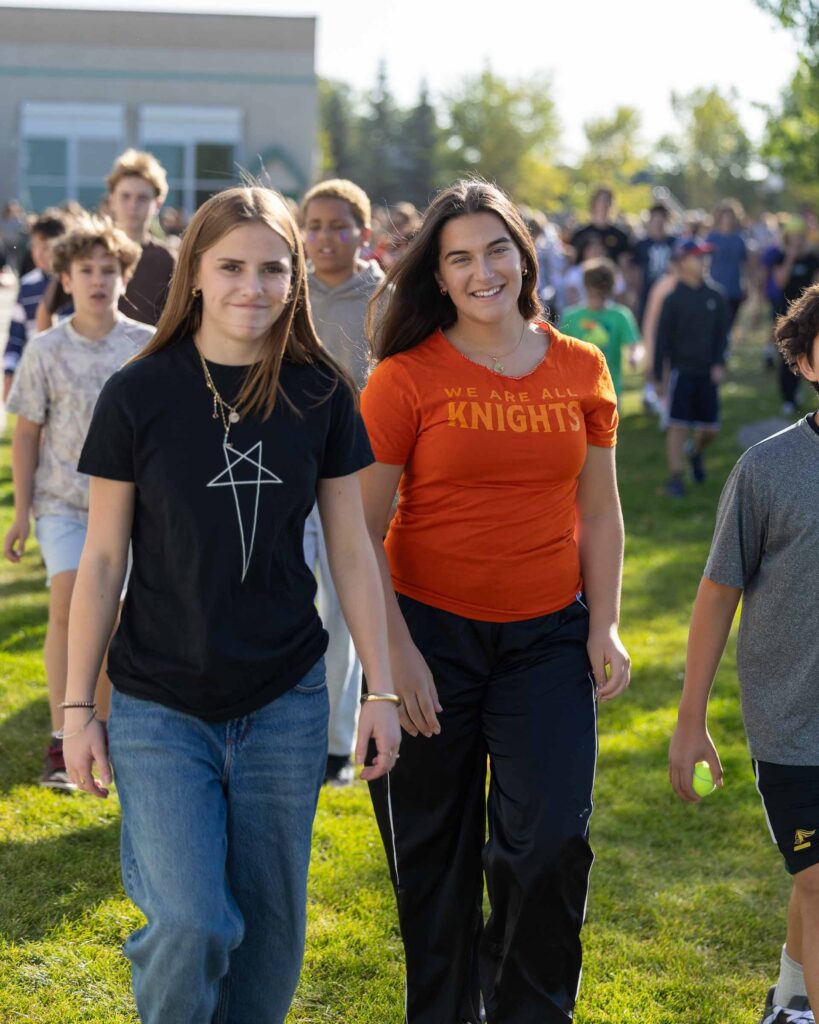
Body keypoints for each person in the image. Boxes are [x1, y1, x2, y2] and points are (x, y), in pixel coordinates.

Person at [59, 185, 401, 1024]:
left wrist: (380, 690)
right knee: (190, 921)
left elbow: (352, 550)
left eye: (272, 269)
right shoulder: (137, 395)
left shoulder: (320, 390)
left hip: (284, 700)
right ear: (196, 277)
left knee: (272, 928)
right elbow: (102, 561)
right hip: (158, 702)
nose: (254, 286)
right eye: (233, 267)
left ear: (294, 281)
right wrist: (76, 709)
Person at [360, 179, 630, 1024]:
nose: (483, 272)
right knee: (433, 861)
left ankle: (529, 1010)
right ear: (436, 277)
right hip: (428, 637)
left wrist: (606, 620)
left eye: (497, 250)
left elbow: (599, 508)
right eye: (460, 258)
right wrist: (393, 655)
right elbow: (359, 532)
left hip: (547, 639)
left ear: (524, 254)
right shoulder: (403, 379)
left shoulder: (580, 366)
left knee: (548, 842)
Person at [669, 282, 819, 1024]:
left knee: (815, 884)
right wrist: (689, 718)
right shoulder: (766, 470)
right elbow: (716, 595)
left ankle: (790, 1001)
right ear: (803, 360)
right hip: (791, 722)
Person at [3, 216, 150, 788]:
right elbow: (26, 433)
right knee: (69, 603)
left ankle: (102, 728)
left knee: (112, 616)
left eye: (107, 270)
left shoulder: (145, 345)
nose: (96, 280)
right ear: (63, 277)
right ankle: (65, 738)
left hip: (130, 509)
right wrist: (20, 513)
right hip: (62, 504)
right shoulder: (46, 349)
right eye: (84, 270)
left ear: (124, 275)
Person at [300, 177, 385, 785]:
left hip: (357, 476)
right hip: (286, 470)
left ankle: (334, 745)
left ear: (364, 233)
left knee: (342, 610)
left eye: (339, 225)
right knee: (293, 604)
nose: (325, 238)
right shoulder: (284, 292)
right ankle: (286, 728)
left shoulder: (386, 301)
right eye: (315, 226)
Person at [653, 239, 729, 497]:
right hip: (681, 372)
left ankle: (694, 452)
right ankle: (676, 477)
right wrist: (657, 374)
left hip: (708, 372)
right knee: (678, 425)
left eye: (706, 256)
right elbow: (662, 340)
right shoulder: (673, 299)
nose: (703, 261)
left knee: (710, 429)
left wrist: (719, 362)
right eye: (697, 257)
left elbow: (722, 335)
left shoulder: (716, 296)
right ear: (682, 262)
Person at [3, 208, 69, 401]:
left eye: (47, 246)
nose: (39, 253)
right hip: (36, 372)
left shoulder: (74, 284)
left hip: (67, 370)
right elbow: (16, 334)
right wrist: (9, 372)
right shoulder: (27, 285)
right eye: (35, 246)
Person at [561, 257, 642, 400]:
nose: (596, 300)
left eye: (600, 294)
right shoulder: (571, 317)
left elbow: (633, 346)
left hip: (610, 388)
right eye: (593, 294)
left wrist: (633, 358)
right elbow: (560, 352)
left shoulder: (621, 316)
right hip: (577, 390)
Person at [765, 217, 819, 416]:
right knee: (786, 356)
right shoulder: (780, 256)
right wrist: (790, 257)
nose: (796, 240)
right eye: (792, 237)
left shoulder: (812, 258)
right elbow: (779, 283)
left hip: (809, 315)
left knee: (807, 353)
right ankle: (788, 397)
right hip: (785, 314)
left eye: (799, 237)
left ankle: (799, 391)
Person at [706, 199, 749, 332]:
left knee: (729, 324)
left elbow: (745, 265)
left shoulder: (740, 239)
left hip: (734, 288)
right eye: (725, 215)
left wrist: (747, 285)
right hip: (715, 287)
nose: (728, 219)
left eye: (731, 215)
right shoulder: (711, 238)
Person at [633, 202, 677, 326]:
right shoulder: (641, 244)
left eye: (662, 218)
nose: (658, 223)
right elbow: (636, 272)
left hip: (670, 295)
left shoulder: (675, 243)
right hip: (647, 293)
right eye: (655, 218)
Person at [570, 186, 633, 270]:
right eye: (600, 200)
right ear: (593, 203)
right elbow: (573, 263)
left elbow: (624, 265)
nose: (604, 205)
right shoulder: (580, 234)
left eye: (607, 201)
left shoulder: (621, 236)